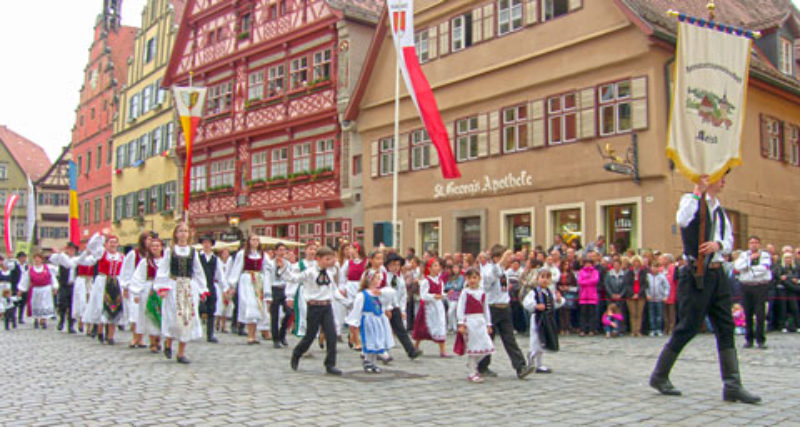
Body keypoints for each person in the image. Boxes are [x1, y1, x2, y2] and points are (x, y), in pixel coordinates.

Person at [650, 173, 760, 404]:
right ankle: (659, 375)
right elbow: (682, 219)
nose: (724, 181)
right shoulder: (691, 201)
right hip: (696, 274)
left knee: (725, 326)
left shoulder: (719, 210)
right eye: (720, 177)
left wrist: (718, 244)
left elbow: (728, 240)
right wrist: (696, 191)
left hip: (717, 274)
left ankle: (732, 384)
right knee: (688, 327)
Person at [153, 222, 209, 364]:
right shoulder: (170, 251)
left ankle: (181, 352)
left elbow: (198, 271)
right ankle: (169, 342)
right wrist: (162, 287)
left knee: (186, 318)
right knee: (173, 317)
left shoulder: (193, 251)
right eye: (181, 231)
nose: (184, 233)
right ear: (176, 234)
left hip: (188, 287)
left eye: (186, 231)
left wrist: (202, 289)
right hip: (173, 286)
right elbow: (163, 269)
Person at [477, 245, 534, 380]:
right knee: (488, 339)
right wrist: (501, 263)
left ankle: (521, 367)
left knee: (510, 339)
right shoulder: (488, 270)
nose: (508, 260)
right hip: (492, 308)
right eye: (505, 257)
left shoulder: (504, 271)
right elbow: (488, 282)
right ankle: (481, 366)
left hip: (505, 307)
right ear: (496, 258)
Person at [288, 246, 343, 375]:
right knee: (310, 335)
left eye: (331, 259)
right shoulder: (310, 272)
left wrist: (345, 301)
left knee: (331, 335)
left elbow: (333, 288)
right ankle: (297, 353)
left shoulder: (329, 272)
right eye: (326, 259)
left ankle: (330, 364)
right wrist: (284, 267)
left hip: (326, 306)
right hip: (314, 306)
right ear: (318, 259)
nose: (329, 262)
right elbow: (294, 278)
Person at [346, 270, 394, 373]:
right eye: (377, 278)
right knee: (369, 340)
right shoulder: (362, 295)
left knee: (377, 341)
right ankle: (367, 361)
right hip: (368, 320)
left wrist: (381, 293)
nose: (379, 281)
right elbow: (357, 309)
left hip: (378, 320)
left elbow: (391, 294)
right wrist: (354, 322)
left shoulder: (380, 293)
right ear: (369, 280)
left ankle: (373, 363)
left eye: (379, 278)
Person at [83, 232, 125, 344]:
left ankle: (111, 335)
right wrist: (99, 235)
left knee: (114, 307)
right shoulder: (102, 253)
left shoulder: (121, 257)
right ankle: (100, 330)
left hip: (116, 282)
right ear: (106, 244)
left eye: (115, 242)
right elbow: (91, 246)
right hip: (103, 281)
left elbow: (125, 272)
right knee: (101, 306)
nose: (113, 244)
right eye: (111, 242)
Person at [228, 235, 269, 345]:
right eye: (253, 240)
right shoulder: (243, 254)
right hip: (247, 280)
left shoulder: (262, 255)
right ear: (249, 241)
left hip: (259, 281)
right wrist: (232, 285)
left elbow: (267, 269)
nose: (255, 242)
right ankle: (250, 335)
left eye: (257, 240)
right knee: (250, 306)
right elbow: (236, 269)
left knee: (258, 307)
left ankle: (254, 335)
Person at [455, 267, 493, 383]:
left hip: (480, 321)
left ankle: (473, 363)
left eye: (475, 278)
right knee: (473, 346)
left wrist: (488, 324)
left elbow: (486, 309)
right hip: (469, 322)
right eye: (470, 278)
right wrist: (461, 323)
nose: (472, 280)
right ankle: (472, 371)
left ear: (479, 279)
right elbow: (460, 308)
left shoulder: (482, 293)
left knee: (486, 347)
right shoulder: (465, 293)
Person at [734, 236, 772, 349]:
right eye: (751, 242)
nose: (753, 244)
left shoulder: (765, 255)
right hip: (746, 286)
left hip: (760, 286)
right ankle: (748, 339)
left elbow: (763, 269)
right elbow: (738, 266)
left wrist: (748, 269)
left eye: (756, 242)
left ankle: (760, 339)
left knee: (760, 314)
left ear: (759, 244)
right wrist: (749, 260)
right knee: (748, 313)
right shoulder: (744, 255)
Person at [130, 237, 166, 353]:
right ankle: (152, 342)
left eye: (157, 246)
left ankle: (158, 339)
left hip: (162, 290)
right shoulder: (145, 262)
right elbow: (138, 277)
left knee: (161, 315)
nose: (155, 248)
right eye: (153, 246)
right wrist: (136, 292)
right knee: (150, 315)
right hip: (149, 288)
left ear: (161, 248)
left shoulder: (166, 261)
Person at [522, 269, 562, 374]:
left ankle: (539, 364)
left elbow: (553, 305)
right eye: (542, 277)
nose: (545, 280)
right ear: (538, 279)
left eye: (547, 278)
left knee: (543, 340)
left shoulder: (549, 292)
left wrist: (558, 300)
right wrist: (535, 306)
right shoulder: (534, 292)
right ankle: (531, 357)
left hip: (548, 319)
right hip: (538, 318)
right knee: (536, 339)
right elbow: (526, 303)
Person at [384, 252, 422, 359]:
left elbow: (402, 296)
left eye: (397, 265)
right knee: (384, 329)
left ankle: (411, 351)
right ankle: (380, 351)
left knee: (401, 330)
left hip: (396, 307)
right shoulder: (386, 277)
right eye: (392, 265)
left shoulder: (399, 279)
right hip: (386, 307)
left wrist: (402, 310)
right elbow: (387, 293)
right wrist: (387, 307)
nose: (395, 267)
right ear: (387, 266)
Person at [412, 258, 450, 357]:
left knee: (441, 326)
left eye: (438, 266)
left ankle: (443, 350)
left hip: (438, 307)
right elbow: (423, 295)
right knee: (423, 328)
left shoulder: (440, 281)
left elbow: (441, 293)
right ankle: (415, 346)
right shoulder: (426, 281)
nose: (438, 268)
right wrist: (433, 296)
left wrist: (444, 295)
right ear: (430, 268)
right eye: (435, 266)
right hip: (428, 308)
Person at [121, 232, 153, 348]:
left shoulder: (153, 254)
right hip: (135, 286)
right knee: (135, 313)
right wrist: (126, 287)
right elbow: (126, 271)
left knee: (146, 313)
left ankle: (142, 338)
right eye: (147, 239)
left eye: (151, 239)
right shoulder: (134, 254)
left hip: (148, 286)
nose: (149, 242)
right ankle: (135, 337)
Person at [198, 235, 227, 343]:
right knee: (199, 309)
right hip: (199, 285)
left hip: (210, 285)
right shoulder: (198, 257)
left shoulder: (215, 259)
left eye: (208, 243)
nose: (206, 245)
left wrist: (225, 288)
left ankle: (210, 334)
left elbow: (220, 274)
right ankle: (193, 331)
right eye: (204, 243)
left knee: (211, 310)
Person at [18, 252, 58, 329]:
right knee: (36, 304)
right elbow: (25, 280)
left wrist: (55, 287)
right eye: (35, 259)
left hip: (46, 289)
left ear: (41, 260)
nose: (37, 260)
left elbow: (52, 278)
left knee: (45, 304)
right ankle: (36, 319)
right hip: (35, 290)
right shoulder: (31, 269)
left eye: (38, 258)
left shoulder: (48, 268)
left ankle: (43, 320)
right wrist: (21, 289)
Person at [340, 242, 367, 350]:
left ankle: (353, 336)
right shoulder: (348, 263)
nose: (349, 250)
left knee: (361, 314)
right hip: (350, 288)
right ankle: (357, 341)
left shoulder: (366, 262)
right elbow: (342, 277)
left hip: (361, 288)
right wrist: (343, 289)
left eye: (351, 248)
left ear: (357, 249)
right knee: (353, 315)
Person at [49, 242, 80, 333]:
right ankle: (61, 320)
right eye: (69, 249)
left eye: (73, 250)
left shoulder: (77, 260)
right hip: (64, 285)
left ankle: (71, 325)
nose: (71, 251)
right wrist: (58, 252)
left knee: (72, 306)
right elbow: (52, 259)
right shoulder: (62, 258)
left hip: (74, 285)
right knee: (62, 304)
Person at [773, 252, 799, 332]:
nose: (788, 260)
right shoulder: (779, 267)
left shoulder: (795, 267)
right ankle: (782, 325)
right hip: (782, 289)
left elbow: (796, 277)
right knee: (782, 308)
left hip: (792, 290)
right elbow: (779, 277)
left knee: (794, 307)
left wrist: (787, 277)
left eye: (790, 258)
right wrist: (791, 279)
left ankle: (798, 325)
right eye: (787, 258)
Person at [624, 256, 649, 337]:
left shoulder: (643, 272)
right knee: (633, 313)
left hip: (641, 295)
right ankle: (633, 330)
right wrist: (632, 294)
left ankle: (638, 330)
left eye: (638, 262)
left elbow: (645, 284)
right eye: (635, 261)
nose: (636, 263)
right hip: (630, 295)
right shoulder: (629, 272)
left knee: (639, 314)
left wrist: (638, 293)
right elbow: (627, 284)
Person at [577, 258, 599, 336]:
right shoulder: (581, 272)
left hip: (592, 296)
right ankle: (583, 329)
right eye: (586, 263)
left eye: (589, 263)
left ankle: (591, 330)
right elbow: (580, 282)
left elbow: (595, 280)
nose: (588, 265)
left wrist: (585, 281)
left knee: (592, 314)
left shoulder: (595, 272)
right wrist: (589, 280)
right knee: (583, 314)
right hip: (583, 296)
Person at [647, 263, 670, 337]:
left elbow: (666, 286)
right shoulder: (648, 276)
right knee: (651, 315)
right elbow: (646, 286)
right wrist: (647, 294)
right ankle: (652, 329)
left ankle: (659, 329)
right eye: (653, 267)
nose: (654, 269)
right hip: (651, 298)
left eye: (656, 267)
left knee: (659, 315)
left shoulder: (662, 276)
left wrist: (665, 296)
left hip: (659, 298)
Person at [557, 260, 578, 334]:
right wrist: (559, 288)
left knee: (567, 311)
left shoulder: (571, 274)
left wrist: (568, 288)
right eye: (565, 264)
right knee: (561, 311)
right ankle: (562, 328)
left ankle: (567, 327)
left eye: (567, 264)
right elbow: (556, 284)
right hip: (560, 293)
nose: (566, 266)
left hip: (568, 294)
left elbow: (575, 286)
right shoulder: (559, 274)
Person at [217, 247, 234, 334]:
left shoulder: (230, 262)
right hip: (219, 286)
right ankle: (217, 322)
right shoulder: (218, 262)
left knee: (226, 306)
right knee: (219, 305)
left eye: (227, 253)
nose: (225, 255)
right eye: (224, 253)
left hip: (228, 285)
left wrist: (230, 286)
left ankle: (224, 325)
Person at [445, 263, 465, 333]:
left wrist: (452, 287)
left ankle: (450, 326)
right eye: (454, 268)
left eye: (456, 268)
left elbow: (459, 286)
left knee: (451, 311)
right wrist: (452, 287)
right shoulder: (451, 277)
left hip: (456, 296)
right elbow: (446, 286)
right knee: (452, 313)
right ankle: (454, 327)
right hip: (450, 296)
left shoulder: (461, 277)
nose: (455, 270)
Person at [1, 256, 18, 329]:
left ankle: (12, 319)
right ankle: (3, 314)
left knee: (10, 303)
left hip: (9, 287)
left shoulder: (11, 272)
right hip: (0, 287)